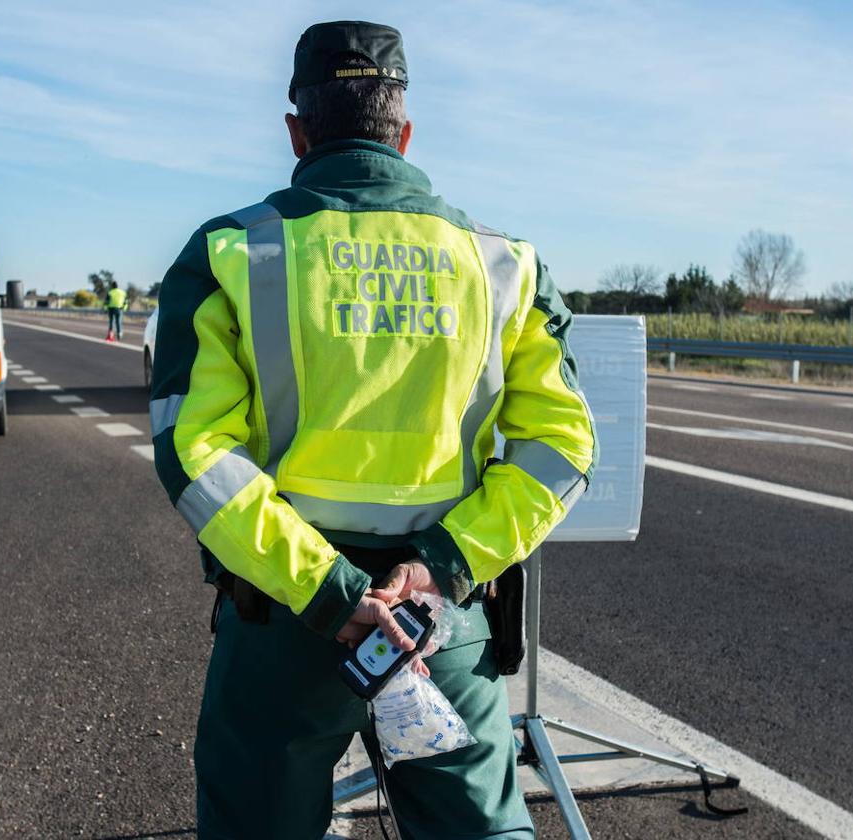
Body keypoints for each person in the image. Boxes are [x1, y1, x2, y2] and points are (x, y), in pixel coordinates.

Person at [150, 20, 596, 840]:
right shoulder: (503, 263)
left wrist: (331, 592)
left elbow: (195, 455)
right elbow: (562, 449)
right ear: (405, 131)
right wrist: (440, 569)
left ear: (298, 130)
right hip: (439, 623)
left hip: (283, 616)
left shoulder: (230, 250)